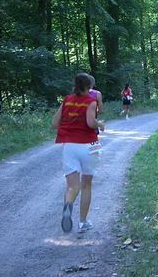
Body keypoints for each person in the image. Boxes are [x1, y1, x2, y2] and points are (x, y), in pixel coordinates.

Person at [51, 73, 105, 233]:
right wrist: (100, 124)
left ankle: (68, 205)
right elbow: (90, 122)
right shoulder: (91, 101)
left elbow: (54, 123)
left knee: (71, 186)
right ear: (89, 86)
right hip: (91, 145)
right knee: (87, 184)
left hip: (69, 146)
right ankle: (83, 222)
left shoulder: (67, 99)